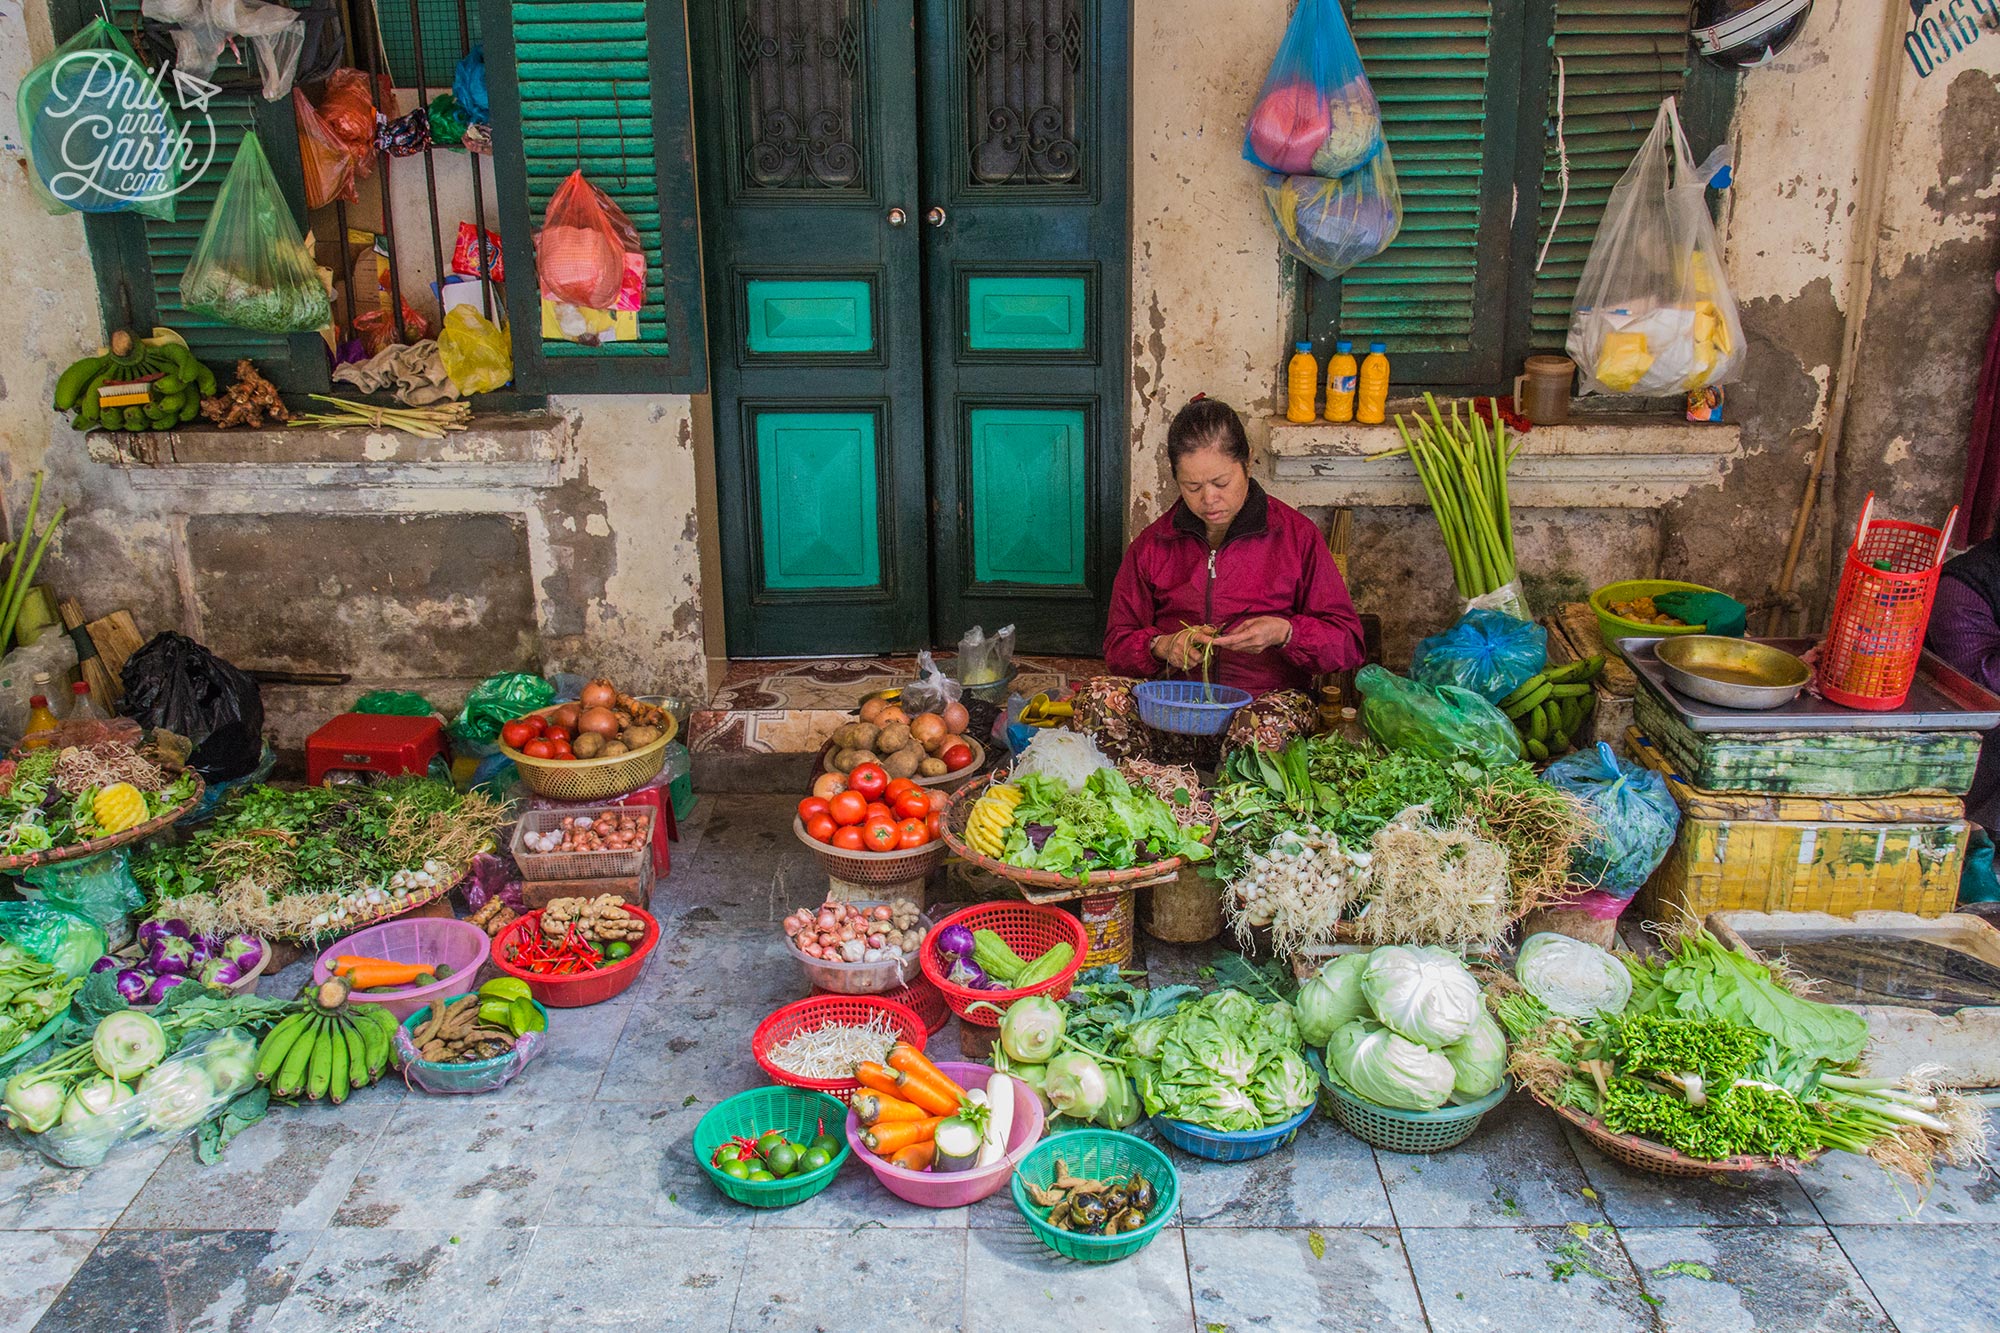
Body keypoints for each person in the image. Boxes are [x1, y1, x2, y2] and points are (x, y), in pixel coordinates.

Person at [1075, 395, 1366, 760]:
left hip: (1261, 708)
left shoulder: (1296, 537)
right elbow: (1117, 646)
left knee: (1263, 725)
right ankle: (1151, 787)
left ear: (1247, 462)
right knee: (1098, 698)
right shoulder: (1154, 544)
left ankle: (1230, 791)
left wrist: (1285, 632)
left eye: (1221, 482)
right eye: (1192, 487)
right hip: (1173, 712)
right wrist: (1161, 646)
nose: (1209, 499)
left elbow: (1347, 642)